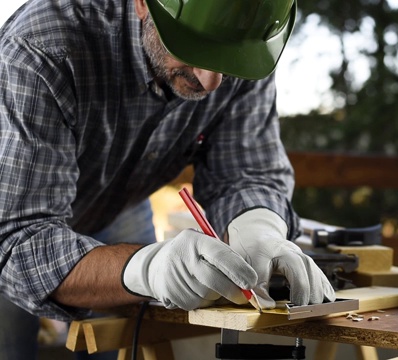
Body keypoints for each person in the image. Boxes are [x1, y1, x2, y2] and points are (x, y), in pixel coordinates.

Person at [0, 0, 336, 359]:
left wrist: (258, 226)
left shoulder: (245, 48)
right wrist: (145, 267)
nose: (211, 82)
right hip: (11, 213)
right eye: (195, 51)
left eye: (228, 63)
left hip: (114, 202)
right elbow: (16, 239)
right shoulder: (41, 48)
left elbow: (246, 171)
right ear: (143, 4)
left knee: (124, 336)